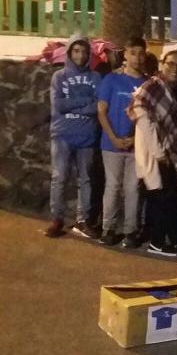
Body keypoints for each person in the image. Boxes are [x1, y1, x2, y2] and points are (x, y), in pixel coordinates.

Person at [129, 49, 177, 263]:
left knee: (166, 200)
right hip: (157, 154)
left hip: (176, 153)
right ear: (162, 64)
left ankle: (157, 243)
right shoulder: (151, 88)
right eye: (170, 63)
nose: (174, 68)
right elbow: (143, 120)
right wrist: (159, 153)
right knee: (166, 199)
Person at [45, 34, 102, 239]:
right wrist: (85, 101)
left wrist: (78, 105)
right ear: (69, 52)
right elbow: (59, 105)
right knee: (59, 177)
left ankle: (82, 220)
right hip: (63, 134)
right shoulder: (59, 76)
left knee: (85, 180)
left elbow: (98, 107)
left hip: (87, 136)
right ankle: (56, 219)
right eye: (76, 51)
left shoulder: (96, 77)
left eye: (84, 51)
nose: (80, 55)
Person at [96, 36, 147, 246]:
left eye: (141, 53)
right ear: (125, 54)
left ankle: (130, 231)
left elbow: (149, 118)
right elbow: (102, 111)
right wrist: (114, 138)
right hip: (111, 145)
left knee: (133, 189)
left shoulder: (147, 84)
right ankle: (108, 228)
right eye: (132, 53)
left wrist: (135, 138)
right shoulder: (111, 80)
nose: (137, 58)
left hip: (136, 147)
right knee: (113, 186)